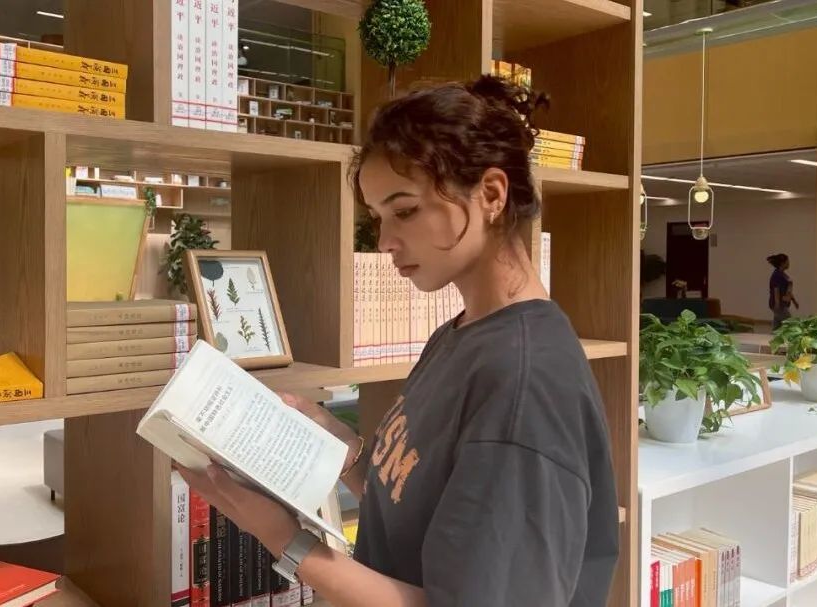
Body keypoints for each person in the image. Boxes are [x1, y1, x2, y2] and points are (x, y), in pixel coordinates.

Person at [178, 76, 620, 607]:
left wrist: (285, 539)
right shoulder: (460, 335)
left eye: (405, 210)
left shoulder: (525, 385)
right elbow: (419, 508)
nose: (386, 241)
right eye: (378, 218)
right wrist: (343, 449)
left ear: (491, 194)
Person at [767, 253, 798, 329]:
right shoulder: (777, 275)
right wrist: (777, 304)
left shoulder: (783, 275)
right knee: (790, 324)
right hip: (780, 305)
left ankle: (773, 334)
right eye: (787, 261)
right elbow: (776, 289)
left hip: (783, 304)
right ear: (782, 263)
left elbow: (788, 290)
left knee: (777, 325)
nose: (789, 263)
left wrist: (794, 301)